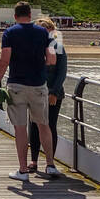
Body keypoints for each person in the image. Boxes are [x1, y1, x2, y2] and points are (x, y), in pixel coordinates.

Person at [0, 1, 58, 180]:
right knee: (44, 125)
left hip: (17, 86)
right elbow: (52, 59)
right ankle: (50, 165)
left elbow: (4, 60)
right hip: (39, 86)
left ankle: (23, 170)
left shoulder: (9, 33)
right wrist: (38, 64)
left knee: (20, 128)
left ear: (15, 16)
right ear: (30, 15)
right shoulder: (44, 33)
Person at [31, 17, 68, 170]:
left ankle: (49, 162)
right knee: (34, 125)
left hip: (53, 92)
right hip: (34, 91)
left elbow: (62, 71)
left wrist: (54, 92)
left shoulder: (57, 46)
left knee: (50, 125)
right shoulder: (33, 46)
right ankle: (34, 161)